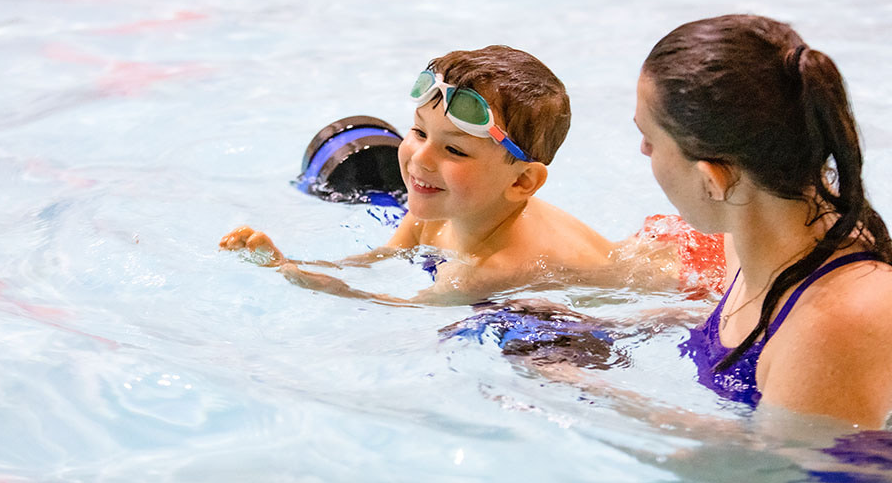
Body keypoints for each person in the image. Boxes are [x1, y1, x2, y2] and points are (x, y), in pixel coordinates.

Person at [634, 14, 892, 429]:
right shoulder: (755, 238)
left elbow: (782, 480)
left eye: (651, 139)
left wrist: (583, 391)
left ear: (713, 179)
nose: (643, 151)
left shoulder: (837, 321)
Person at [220, 45, 631, 308]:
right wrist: (289, 262)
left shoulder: (494, 270)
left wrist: (311, 283)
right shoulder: (432, 208)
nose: (421, 158)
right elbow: (377, 260)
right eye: (418, 132)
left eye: (454, 149)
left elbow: (398, 307)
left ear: (521, 183)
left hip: (653, 293)